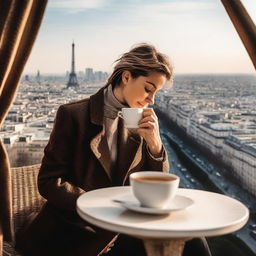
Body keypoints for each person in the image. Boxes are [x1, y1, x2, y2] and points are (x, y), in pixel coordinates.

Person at [16, 43, 211, 256]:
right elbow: (49, 182)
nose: (151, 100)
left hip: (122, 230)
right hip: (77, 232)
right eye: (148, 89)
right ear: (126, 77)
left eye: (156, 93)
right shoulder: (73, 115)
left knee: (193, 239)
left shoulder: (140, 121)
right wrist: (101, 207)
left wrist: (155, 145)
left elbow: (157, 184)